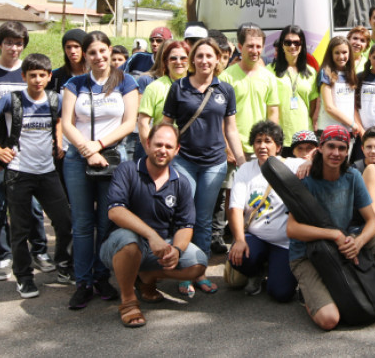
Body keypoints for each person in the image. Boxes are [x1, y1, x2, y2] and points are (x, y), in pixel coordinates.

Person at [287, 126, 375, 331]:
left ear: (348, 150)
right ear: (320, 149)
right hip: (307, 254)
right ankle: (308, 293)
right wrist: (333, 234)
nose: (336, 153)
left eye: (341, 148)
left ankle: (356, 279)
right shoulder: (306, 179)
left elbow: (372, 220)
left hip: (342, 247)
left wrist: (359, 241)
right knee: (329, 320)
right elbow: (292, 229)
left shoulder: (352, 176)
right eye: (331, 147)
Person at [0, 53, 73, 298]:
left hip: (48, 173)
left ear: (50, 77)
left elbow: (60, 119)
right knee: (19, 228)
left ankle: (63, 266)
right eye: (32, 75)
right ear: (24, 77)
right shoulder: (12, 100)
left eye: (42, 75)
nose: (37, 80)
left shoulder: (55, 99)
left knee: (65, 222)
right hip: (19, 173)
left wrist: (58, 140)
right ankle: (24, 278)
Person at [100, 124, 208, 328]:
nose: (163, 150)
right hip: (119, 247)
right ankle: (128, 301)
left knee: (198, 263)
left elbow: (185, 225)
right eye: (158, 144)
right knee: (129, 241)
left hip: (158, 249)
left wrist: (177, 250)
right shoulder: (128, 170)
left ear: (176, 150)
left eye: (169, 146)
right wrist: (151, 235)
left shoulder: (181, 182)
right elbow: (115, 211)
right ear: (147, 144)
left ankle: (147, 277)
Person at [161, 37, 246, 296]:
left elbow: (230, 129)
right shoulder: (178, 88)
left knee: (205, 219)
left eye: (210, 56)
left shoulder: (225, 90)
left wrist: (242, 161)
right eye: (200, 56)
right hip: (184, 160)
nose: (205, 61)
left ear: (218, 59)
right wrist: (164, 155)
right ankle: (183, 272)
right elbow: (167, 124)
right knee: (185, 218)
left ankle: (199, 272)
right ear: (192, 60)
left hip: (214, 164)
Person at [61, 31, 139, 309]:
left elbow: (129, 123)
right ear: (85, 55)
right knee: (83, 224)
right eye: (92, 52)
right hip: (77, 158)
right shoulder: (74, 83)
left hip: (112, 158)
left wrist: (99, 146)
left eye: (103, 51)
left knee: (106, 222)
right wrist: (86, 150)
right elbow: (67, 123)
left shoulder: (126, 82)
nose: (99, 57)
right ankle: (82, 282)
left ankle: (101, 276)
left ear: (110, 51)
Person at [0, 21, 50, 281]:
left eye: (18, 43)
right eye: (9, 43)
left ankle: (40, 252)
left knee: (34, 206)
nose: (14, 48)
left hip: (27, 153)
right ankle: (3, 258)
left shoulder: (30, 72)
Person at [227, 121, 301, 301]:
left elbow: (316, 163)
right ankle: (256, 272)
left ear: (278, 147)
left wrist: (308, 164)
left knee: (281, 294)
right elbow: (235, 207)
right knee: (239, 256)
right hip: (255, 237)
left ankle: (273, 268)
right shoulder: (246, 169)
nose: (262, 146)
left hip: (283, 243)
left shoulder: (291, 165)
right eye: (258, 141)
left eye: (268, 141)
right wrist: (238, 240)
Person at [220, 25, 279, 155]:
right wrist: (226, 145)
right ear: (240, 47)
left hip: (260, 149)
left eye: (258, 47)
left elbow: (273, 112)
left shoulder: (269, 77)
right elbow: (220, 116)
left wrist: (270, 142)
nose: (255, 50)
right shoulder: (226, 77)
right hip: (233, 148)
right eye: (250, 46)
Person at [137, 40, 191, 154]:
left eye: (183, 58)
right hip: (164, 152)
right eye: (173, 58)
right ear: (166, 62)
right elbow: (143, 123)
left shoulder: (198, 87)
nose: (178, 62)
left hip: (192, 152)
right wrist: (151, 151)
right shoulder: (154, 88)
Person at [270, 26, 317, 150]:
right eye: (288, 42)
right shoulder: (268, 71)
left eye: (297, 42)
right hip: (279, 137)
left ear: (302, 45)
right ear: (282, 45)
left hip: (305, 137)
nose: (292, 46)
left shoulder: (311, 72)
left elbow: (313, 106)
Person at [315, 36, 360, 135]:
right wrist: (352, 124)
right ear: (330, 54)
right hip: (329, 130)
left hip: (348, 130)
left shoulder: (350, 74)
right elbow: (329, 107)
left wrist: (352, 125)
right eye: (337, 53)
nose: (341, 56)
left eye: (344, 52)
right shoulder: (326, 73)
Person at [49, 28, 87, 94]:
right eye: (68, 47)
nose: (72, 51)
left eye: (76, 46)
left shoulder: (95, 75)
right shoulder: (55, 77)